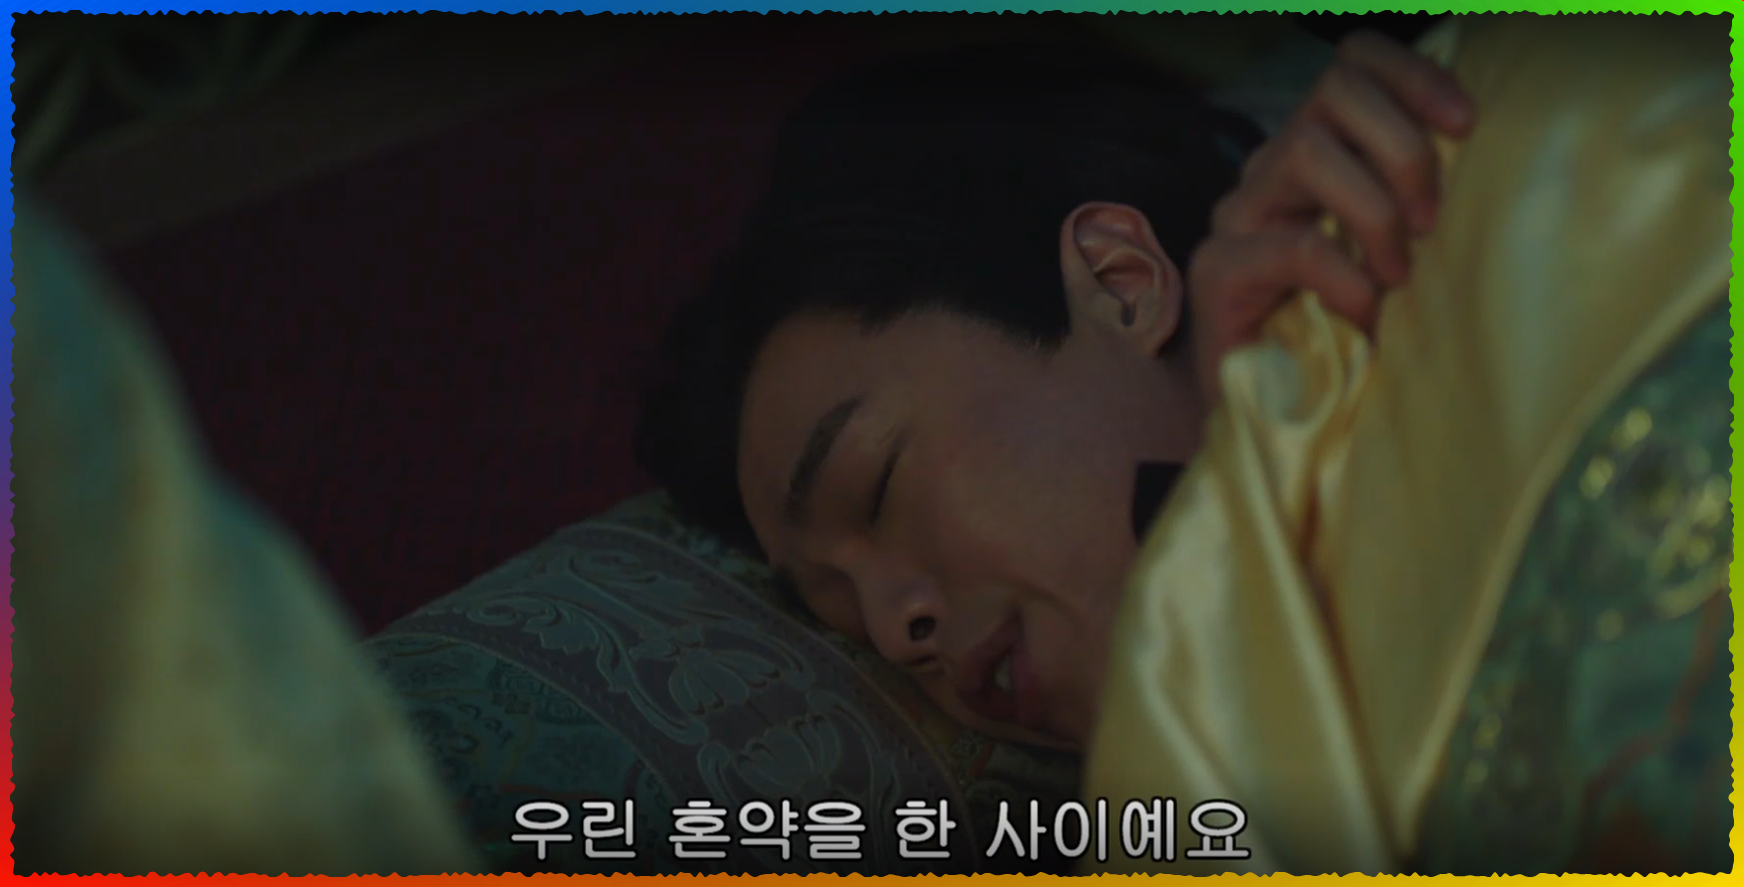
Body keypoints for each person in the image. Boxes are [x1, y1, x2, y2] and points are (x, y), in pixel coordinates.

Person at [634, 29, 1475, 749]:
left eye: (878, 485)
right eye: (844, 614)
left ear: (1120, 281)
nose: (895, 630)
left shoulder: (1455, 252)